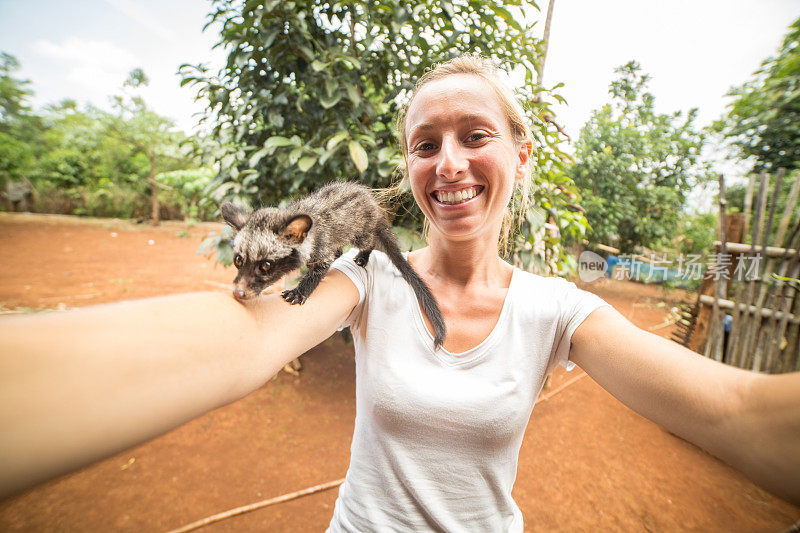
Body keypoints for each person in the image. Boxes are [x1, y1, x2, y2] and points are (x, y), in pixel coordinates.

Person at [0, 55, 798, 529]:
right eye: (426, 144)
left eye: (474, 135)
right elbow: (248, 337)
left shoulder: (558, 308)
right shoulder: (366, 278)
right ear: (410, 167)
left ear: (519, 153)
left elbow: (733, 410)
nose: (447, 162)